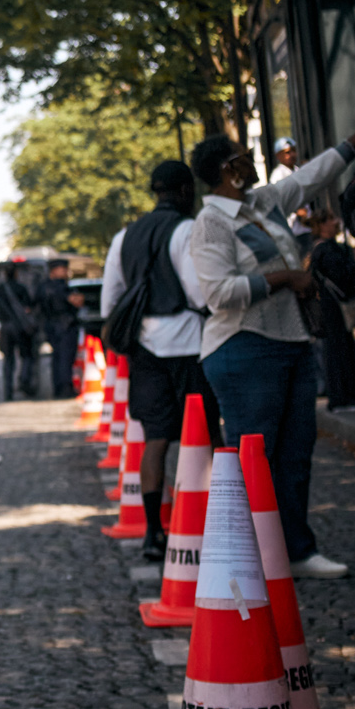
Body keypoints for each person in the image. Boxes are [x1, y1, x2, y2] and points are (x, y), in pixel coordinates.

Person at [190, 130, 355, 578]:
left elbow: (307, 178)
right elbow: (218, 294)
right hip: (244, 347)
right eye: (240, 157)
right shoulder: (211, 224)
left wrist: (348, 147)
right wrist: (284, 278)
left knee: (296, 454)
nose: (249, 161)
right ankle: (248, 561)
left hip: (291, 343)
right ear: (225, 170)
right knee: (255, 460)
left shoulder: (262, 203)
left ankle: (295, 552)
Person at [99, 160, 212, 563]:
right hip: (188, 344)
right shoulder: (185, 229)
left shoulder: (123, 236)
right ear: (185, 191)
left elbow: (109, 299)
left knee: (155, 439)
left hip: (143, 348)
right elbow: (199, 295)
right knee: (201, 437)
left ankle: (153, 532)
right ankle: (209, 526)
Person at [308, 206, 355, 411]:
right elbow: (345, 276)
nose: (335, 221)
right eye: (329, 219)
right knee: (339, 351)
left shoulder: (324, 249)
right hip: (333, 308)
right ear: (321, 225)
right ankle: (342, 395)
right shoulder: (326, 251)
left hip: (332, 308)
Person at [0, 259, 41, 399]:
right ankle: (24, 380)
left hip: (6, 328)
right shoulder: (21, 288)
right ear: (16, 273)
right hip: (21, 327)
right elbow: (30, 306)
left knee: (8, 359)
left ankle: (8, 391)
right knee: (27, 356)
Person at [42, 257, 83, 399]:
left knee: (57, 357)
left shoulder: (43, 287)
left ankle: (58, 388)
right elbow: (76, 301)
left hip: (51, 326)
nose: (66, 272)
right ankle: (66, 388)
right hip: (65, 325)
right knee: (65, 357)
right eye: (63, 269)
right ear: (55, 271)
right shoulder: (61, 287)